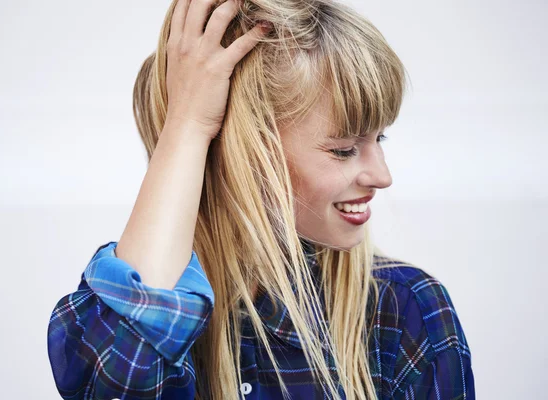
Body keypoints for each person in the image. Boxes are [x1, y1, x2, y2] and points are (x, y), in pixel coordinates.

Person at [47, 0, 476, 399]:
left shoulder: (406, 311)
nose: (383, 176)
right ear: (245, 152)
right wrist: (189, 124)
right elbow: (120, 381)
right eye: (344, 149)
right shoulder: (152, 309)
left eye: (378, 138)